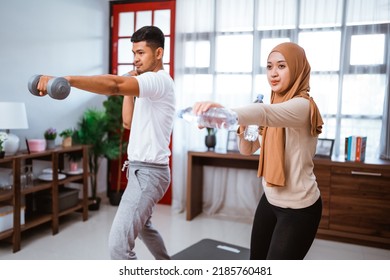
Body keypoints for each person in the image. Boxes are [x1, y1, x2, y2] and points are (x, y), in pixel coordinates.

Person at [36, 26, 175, 260]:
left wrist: (66, 80)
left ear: (158, 53)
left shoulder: (158, 81)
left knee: (118, 247)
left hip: (149, 173)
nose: (136, 60)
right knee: (143, 227)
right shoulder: (146, 86)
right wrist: (130, 88)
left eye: (141, 53)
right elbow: (128, 122)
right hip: (144, 171)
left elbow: (114, 85)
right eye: (134, 53)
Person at [193, 42, 324, 260]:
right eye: (269, 66)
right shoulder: (273, 105)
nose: (273, 73)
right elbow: (247, 149)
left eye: (281, 66)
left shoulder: (302, 106)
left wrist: (225, 112)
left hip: (300, 208)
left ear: (298, 68)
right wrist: (245, 124)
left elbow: (265, 113)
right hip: (270, 200)